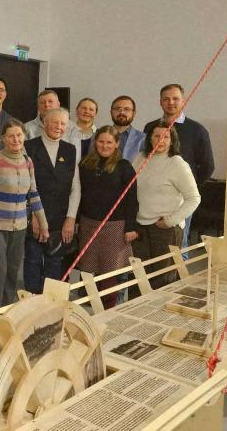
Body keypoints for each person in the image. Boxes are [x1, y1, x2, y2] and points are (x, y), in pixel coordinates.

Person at [0, 119, 48, 328]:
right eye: (11, 136)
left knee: (13, 271)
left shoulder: (28, 162)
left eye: (19, 135)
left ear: (24, 137)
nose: (15, 139)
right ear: (3, 138)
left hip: (19, 226)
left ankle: (6, 316)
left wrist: (43, 223)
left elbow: (33, 194)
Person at [143, 84, 214, 249]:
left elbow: (208, 166)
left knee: (178, 246)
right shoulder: (150, 128)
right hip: (151, 201)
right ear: (160, 102)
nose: (171, 103)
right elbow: (145, 157)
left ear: (183, 101)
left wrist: (187, 189)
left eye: (175, 99)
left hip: (180, 203)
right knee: (152, 247)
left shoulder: (197, 130)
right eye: (166, 99)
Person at [76, 126, 138, 309]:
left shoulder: (124, 167)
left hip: (114, 227)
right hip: (88, 224)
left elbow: (132, 199)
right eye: (101, 141)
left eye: (109, 142)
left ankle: (108, 309)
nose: (105, 146)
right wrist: (77, 220)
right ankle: (90, 307)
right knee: (88, 269)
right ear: (95, 142)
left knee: (109, 271)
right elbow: (79, 194)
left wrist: (131, 227)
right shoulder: (85, 165)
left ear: (117, 144)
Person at [132, 122, 201, 289]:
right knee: (139, 280)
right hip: (140, 227)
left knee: (163, 281)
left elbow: (194, 198)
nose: (160, 140)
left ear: (172, 140)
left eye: (166, 137)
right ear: (149, 138)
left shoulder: (177, 163)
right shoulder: (141, 158)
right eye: (156, 136)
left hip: (164, 229)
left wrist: (170, 221)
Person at [23, 108, 80, 292]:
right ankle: (32, 302)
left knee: (55, 263)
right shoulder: (29, 147)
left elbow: (75, 187)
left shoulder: (70, 150)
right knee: (32, 261)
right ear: (45, 123)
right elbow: (25, 185)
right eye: (55, 122)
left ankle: (51, 305)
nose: (59, 127)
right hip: (34, 218)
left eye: (63, 124)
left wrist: (71, 218)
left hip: (59, 219)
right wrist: (34, 216)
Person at [110, 95, 145, 162]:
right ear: (111, 112)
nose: (122, 112)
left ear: (134, 113)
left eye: (127, 109)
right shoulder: (98, 136)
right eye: (117, 109)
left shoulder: (143, 139)